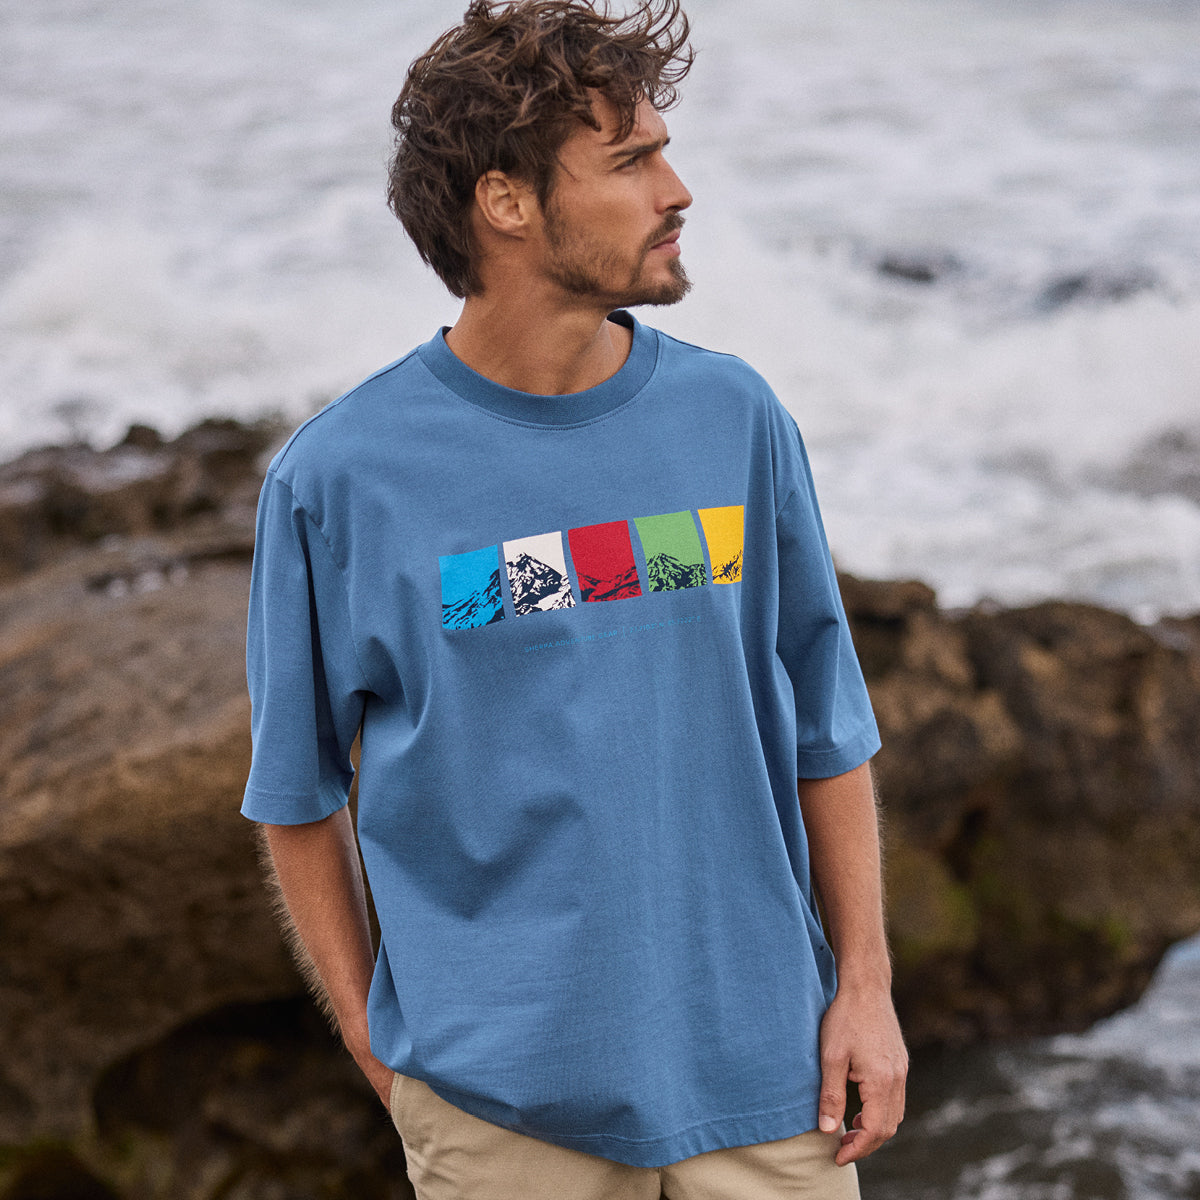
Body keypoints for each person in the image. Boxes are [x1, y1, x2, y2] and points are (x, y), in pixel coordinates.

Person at [242, 1, 907, 1196]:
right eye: (633, 161)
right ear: (505, 201)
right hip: (505, 1115)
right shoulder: (340, 481)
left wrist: (865, 987)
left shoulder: (735, 419)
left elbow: (827, 723)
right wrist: (374, 1042)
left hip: (773, 1082)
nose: (678, 189)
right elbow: (297, 793)